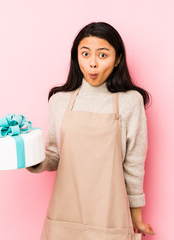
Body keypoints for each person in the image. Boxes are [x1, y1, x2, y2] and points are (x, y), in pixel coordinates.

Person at [26, 21, 155, 239]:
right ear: (76, 58)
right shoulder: (59, 101)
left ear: (118, 59)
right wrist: (30, 158)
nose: (92, 63)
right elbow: (55, 155)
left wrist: (136, 218)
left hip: (110, 215)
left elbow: (134, 163)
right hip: (65, 215)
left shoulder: (130, 102)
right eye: (85, 54)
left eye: (102, 55)